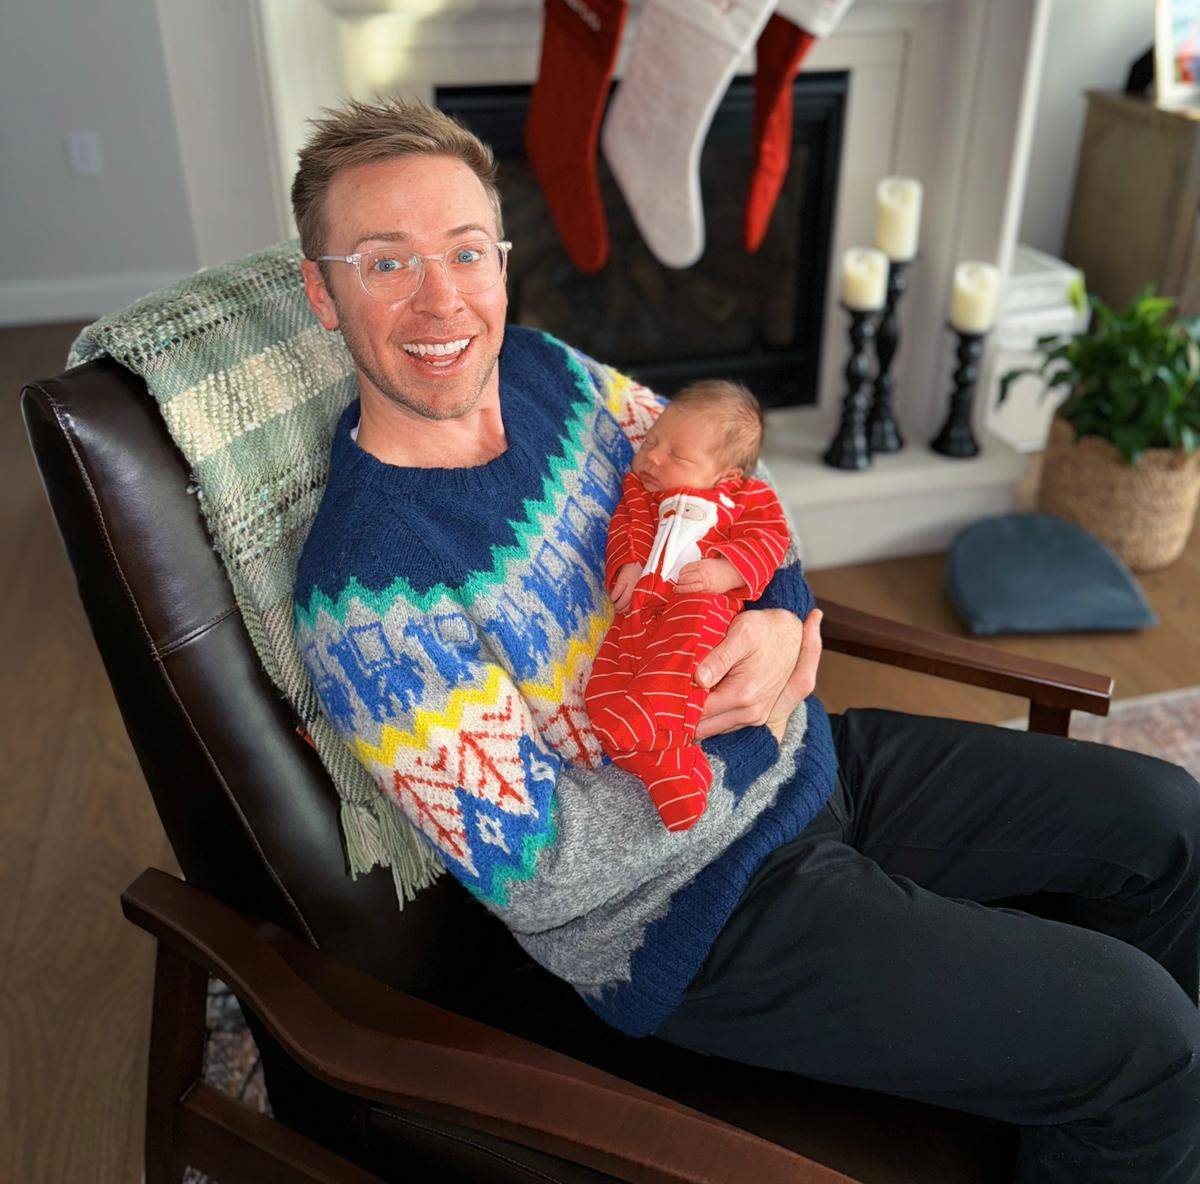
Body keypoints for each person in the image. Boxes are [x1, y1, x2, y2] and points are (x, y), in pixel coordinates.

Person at [293, 95, 1200, 1183]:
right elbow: (543, 871)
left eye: (466, 251)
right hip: (701, 916)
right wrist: (757, 721)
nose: (443, 298)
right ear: (323, 291)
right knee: (1144, 1037)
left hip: (817, 769)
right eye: (386, 262)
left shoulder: (545, 371)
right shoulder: (364, 597)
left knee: (1170, 822)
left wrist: (781, 617)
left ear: (501, 259)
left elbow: (734, 485)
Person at [586, 380, 792, 831]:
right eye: (652, 441)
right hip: (641, 607)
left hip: (699, 606)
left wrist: (726, 570)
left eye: (676, 455)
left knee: (672, 672)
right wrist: (626, 565)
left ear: (726, 478)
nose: (653, 457)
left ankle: (648, 733)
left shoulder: (744, 499)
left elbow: (770, 539)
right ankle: (672, 771)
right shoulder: (641, 493)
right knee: (605, 685)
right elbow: (626, 527)